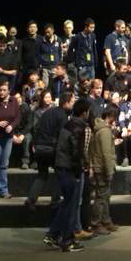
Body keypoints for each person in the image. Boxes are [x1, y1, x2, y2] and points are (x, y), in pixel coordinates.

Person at [46, 100, 91, 252]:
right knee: (71, 205)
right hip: (69, 169)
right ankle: (67, 240)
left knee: (67, 203)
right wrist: (78, 172)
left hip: (61, 166)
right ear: (84, 112)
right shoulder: (79, 127)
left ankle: (53, 235)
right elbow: (76, 152)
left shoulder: (68, 124)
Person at [26, 89, 75, 209]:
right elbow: (62, 136)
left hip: (39, 148)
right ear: (66, 103)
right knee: (60, 174)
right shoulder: (62, 116)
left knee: (42, 175)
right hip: (51, 149)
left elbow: (37, 128)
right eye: (72, 102)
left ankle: (31, 200)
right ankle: (55, 200)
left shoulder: (48, 112)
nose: (73, 104)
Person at [88, 104, 119, 234]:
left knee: (104, 196)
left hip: (99, 166)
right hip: (102, 168)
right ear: (111, 116)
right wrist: (110, 171)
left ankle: (106, 221)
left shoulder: (98, 129)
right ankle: (96, 223)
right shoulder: (105, 131)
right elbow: (106, 153)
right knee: (101, 197)